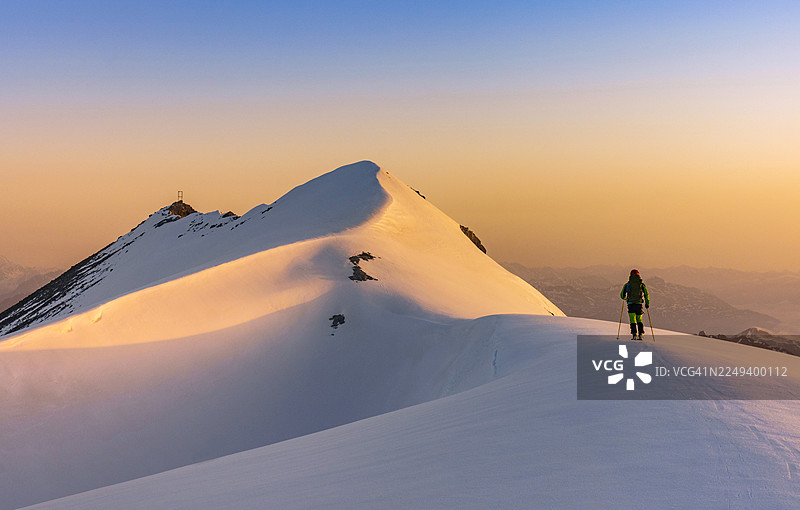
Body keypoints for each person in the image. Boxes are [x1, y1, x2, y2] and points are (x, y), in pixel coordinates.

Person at [620, 269, 650, 340]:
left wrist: (625, 298)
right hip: (639, 304)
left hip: (630, 304)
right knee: (639, 319)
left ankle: (634, 334)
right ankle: (641, 334)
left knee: (632, 319)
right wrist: (647, 303)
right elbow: (646, 294)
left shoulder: (627, 284)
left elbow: (622, 295)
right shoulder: (641, 284)